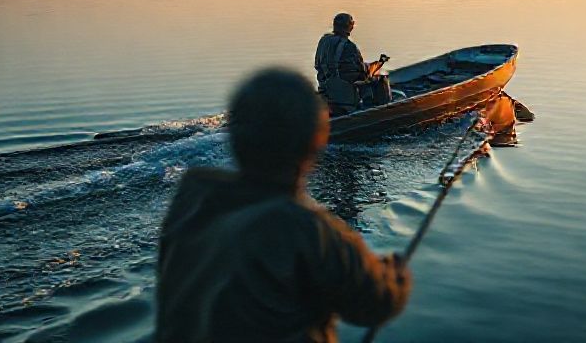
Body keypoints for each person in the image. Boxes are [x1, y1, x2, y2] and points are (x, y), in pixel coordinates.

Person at [156, 68, 411, 343]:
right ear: (318, 140)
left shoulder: (193, 200)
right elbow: (376, 303)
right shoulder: (310, 230)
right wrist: (396, 275)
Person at [314, 13, 391, 114]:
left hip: (325, 91)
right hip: (344, 99)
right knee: (380, 79)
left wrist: (376, 64)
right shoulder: (349, 46)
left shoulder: (324, 41)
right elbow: (362, 75)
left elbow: (319, 65)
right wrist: (379, 64)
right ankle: (383, 113)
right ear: (350, 26)